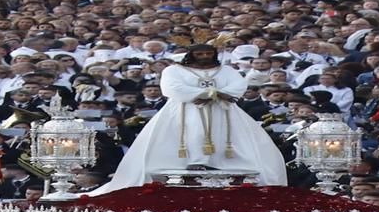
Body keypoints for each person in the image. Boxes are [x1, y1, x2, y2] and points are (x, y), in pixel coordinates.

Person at [98, 45, 288, 190]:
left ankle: (219, 162)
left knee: (224, 137)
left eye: (208, 54)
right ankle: (194, 162)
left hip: (222, 109)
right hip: (185, 108)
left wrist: (216, 95)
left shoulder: (226, 70)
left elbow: (238, 86)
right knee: (192, 133)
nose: (205, 57)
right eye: (200, 54)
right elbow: (171, 88)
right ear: (191, 55)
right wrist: (204, 94)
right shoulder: (174, 70)